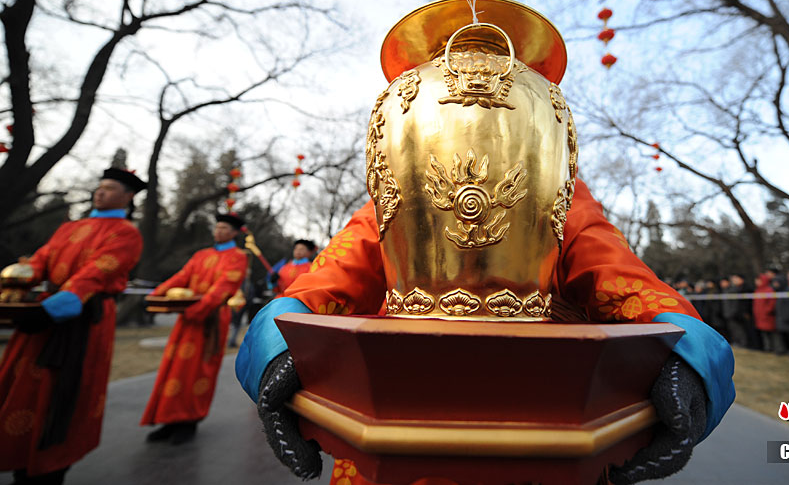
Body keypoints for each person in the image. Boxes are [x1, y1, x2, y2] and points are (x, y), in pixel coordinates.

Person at [236, 178, 735, 485]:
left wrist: (683, 345)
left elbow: (611, 267)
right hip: (401, 391)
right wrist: (278, 342)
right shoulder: (393, 187)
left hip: (541, 397)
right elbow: (340, 270)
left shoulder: (561, 185)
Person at [0, 168, 146, 484]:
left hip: (84, 321)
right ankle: (20, 455)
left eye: (110, 188)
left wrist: (58, 304)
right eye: (100, 186)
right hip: (45, 316)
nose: (101, 192)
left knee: (65, 389)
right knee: (24, 386)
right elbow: (41, 261)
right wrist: (17, 282)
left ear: (128, 196)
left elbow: (98, 272)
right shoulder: (69, 228)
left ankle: (51, 466)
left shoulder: (126, 233)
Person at [140, 213, 248, 444]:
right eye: (217, 226)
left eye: (224, 228)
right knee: (175, 369)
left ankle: (188, 421)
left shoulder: (237, 257)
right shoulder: (202, 255)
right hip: (187, 318)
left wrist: (201, 309)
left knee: (198, 370)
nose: (218, 231)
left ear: (234, 233)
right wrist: (156, 294)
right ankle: (168, 419)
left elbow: (225, 286)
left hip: (211, 319)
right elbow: (182, 276)